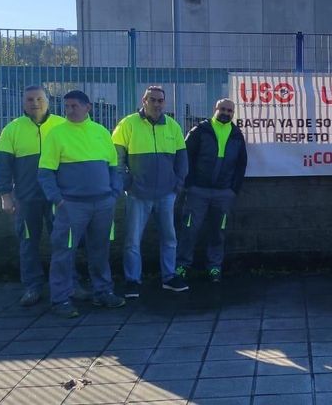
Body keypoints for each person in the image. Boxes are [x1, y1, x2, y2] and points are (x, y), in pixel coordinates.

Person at [38, 90, 125, 318]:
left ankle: (103, 292)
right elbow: (45, 172)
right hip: (71, 206)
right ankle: (60, 299)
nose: (69, 110)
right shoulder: (56, 134)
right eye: (66, 106)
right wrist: (58, 199)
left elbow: (114, 167)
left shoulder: (102, 132)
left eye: (74, 105)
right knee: (63, 252)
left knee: (100, 250)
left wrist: (114, 192)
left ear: (88, 107)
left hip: (102, 204)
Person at [0, 86, 72, 306]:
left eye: (39, 98)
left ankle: (70, 283)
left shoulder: (62, 125)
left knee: (65, 242)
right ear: (23, 102)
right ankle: (32, 286)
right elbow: (2, 166)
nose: (35, 103)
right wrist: (5, 196)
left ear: (48, 101)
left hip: (58, 197)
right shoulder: (12, 129)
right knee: (28, 243)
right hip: (27, 198)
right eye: (29, 99)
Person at [113, 86, 189, 298]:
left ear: (164, 103)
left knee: (169, 238)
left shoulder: (173, 126)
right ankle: (132, 281)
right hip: (137, 194)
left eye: (160, 101)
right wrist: (127, 184)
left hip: (166, 194)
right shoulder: (127, 124)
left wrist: (177, 185)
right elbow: (116, 160)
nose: (156, 104)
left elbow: (182, 160)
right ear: (143, 100)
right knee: (132, 241)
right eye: (152, 100)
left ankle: (169, 277)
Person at [176, 98, 247, 282]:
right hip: (197, 191)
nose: (226, 113)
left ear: (233, 113)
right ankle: (182, 266)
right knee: (189, 230)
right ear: (215, 109)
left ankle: (214, 267)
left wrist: (233, 189)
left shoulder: (237, 134)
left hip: (224, 194)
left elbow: (241, 165)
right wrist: (189, 184)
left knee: (218, 231)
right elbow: (185, 157)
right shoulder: (200, 130)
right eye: (222, 109)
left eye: (230, 111)